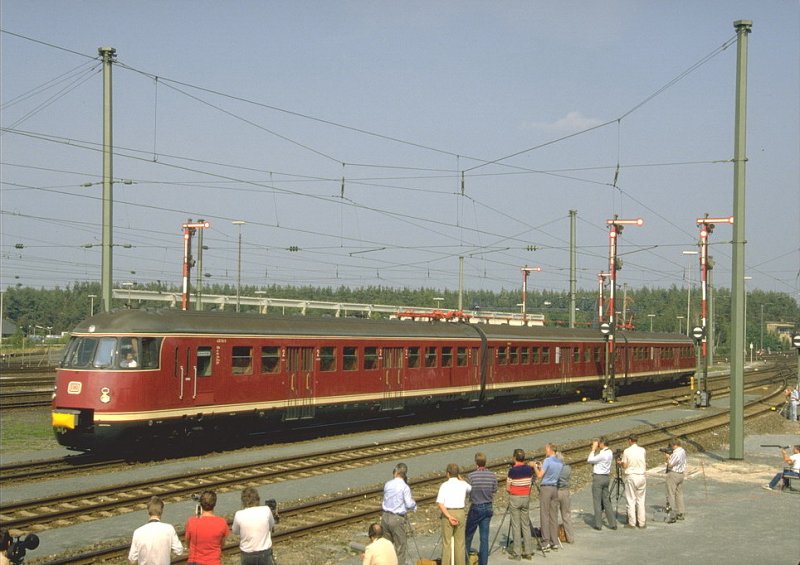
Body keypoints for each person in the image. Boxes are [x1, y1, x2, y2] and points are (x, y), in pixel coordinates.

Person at [128, 496, 183, 565]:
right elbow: (179, 551)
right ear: (162, 511)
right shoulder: (169, 529)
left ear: (148, 511)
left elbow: (132, 560)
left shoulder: (138, 532)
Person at [464, 452, 497, 565]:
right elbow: (494, 490)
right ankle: (483, 563)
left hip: (476, 507)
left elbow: (467, 492)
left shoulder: (471, 476)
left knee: (468, 535)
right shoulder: (492, 475)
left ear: (476, 463)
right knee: (484, 538)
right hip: (488, 507)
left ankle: (466, 560)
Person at [380, 463, 416, 565]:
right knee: (400, 547)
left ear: (397, 472)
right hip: (397, 519)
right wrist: (414, 505)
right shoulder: (405, 487)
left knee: (386, 547)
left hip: (385, 516)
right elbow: (409, 504)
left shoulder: (388, 484)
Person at [436, 463, 471, 565]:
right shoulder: (463, 484)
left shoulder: (444, 485)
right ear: (458, 474)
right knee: (460, 543)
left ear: (448, 473)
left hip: (448, 513)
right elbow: (470, 488)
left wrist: (449, 516)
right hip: (460, 512)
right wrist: (461, 479)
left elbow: (440, 504)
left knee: (447, 543)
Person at [232, 487, 276, 564]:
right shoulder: (266, 510)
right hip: (264, 553)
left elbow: (235, 531)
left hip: (247, 554)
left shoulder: (239, 514)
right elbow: (271, 525)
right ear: (258, 499)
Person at [185, 490, 230, 565]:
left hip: (194, 561)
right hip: (213, 561)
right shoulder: (222, 522)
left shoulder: (191, 521)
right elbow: (222, 544)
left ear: (201, 504)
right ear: (214, 504)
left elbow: (187, 542)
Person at [532, 443, 562, 551]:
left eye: (546, 449)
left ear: (550, 449)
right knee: (553, 515)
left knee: (544, 515)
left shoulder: (547, 461)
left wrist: (535, 467)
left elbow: (540, 475)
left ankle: (545, 542)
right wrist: (542, 466)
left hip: (546, 488)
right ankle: (554, 541)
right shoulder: (559, 462)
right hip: (555, 488)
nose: (545, 451)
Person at [506, 448, 534, 560]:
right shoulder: (528, 469)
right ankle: (528, 552)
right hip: (526, 497)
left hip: (515, 498)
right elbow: (530, 484)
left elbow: (508, 488)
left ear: (514, 458)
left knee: (516, 525)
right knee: (526, 525)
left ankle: (517, 553)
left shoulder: (512, 471)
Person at [587, 437, 617, 530]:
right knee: (606, 501)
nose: (598, 444)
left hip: (598, 478)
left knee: (597, 501)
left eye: (599, 443)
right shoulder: (609, 452)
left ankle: (598, 524)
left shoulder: (603, 454)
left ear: (603, 443)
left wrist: (593, 449)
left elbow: (590, 460)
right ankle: (612, 523)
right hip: (606, 477)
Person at [620, 434, 647, 528]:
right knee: (641, 500)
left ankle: (632, 523)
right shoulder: (642, 450)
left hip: (631, 476)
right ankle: (642, 522)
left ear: (630, 440)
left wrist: (620, 463)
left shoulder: (627, 451)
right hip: (642, 476)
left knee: (631, 500)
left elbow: (625, 466)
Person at [664, 439, 687, 523]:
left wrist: (667, 458)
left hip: (673, 474)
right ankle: (681, 512)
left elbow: (670, 464)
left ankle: (671, 514)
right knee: (679, 494)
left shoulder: (676, 453)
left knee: (671, 494)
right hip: (681, 474)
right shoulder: (683, 451)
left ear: (674, 445)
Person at [554, 451, 574, 543]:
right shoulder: (568, 468)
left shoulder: (555, 469)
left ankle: (554, 538)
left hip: (556, 491)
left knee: (554, 515)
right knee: (566, 515)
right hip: (566, 491)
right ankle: (570, 537)